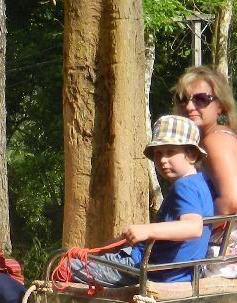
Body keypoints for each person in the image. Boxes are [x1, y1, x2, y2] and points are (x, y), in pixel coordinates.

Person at [69, 115, 214, 288]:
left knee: (64, 266)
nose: (162, 160)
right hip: (175, 272)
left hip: (146, 269)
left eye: (170, 152)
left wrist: (146, 230)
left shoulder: (184, 187)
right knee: (95, 255)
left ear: (191, 155)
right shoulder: (201, 184)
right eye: (158, 153)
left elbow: (193, 227)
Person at [173, 66, 237, 278]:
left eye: (201, 99)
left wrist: (195, 226)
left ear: (220, 106)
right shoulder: (228, 137)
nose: (189, 106)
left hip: (221, 258)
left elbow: (233, 200)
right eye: (183, 98)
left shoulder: (214, 141)